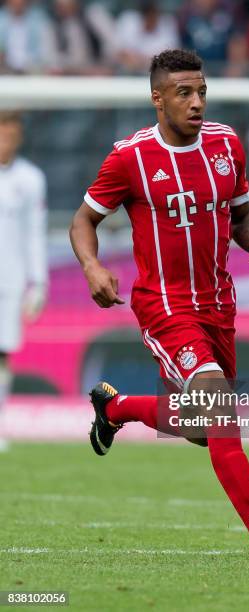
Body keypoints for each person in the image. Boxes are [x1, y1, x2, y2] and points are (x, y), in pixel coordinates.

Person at [70, 49, 249, 568]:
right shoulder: (130, 158)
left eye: (201, 92)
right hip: (165, 307)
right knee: (221, 411)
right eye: (183, 93)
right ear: (158, 98)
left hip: (219, 307)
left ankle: (115, 407)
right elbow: (83, 221)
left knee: (202, 426)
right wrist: (91, 266)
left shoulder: (226, 144)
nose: (196, 102)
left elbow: (242, 215)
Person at [0, 112, 48, 451]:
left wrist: (39, 283)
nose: (7, 139)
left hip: (9, 280)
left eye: (12, 133)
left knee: (2, 354)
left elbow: (34, 234)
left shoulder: (30, 178)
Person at [48, 0, 116, 75]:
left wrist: (104, 66)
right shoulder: (52, 25)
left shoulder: (94, 15)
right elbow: (52, 59)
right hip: (69, 76)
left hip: (98, 72)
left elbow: (113, 45)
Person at [115, 1, 180, 75]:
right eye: (148, 15)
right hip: (130, 73)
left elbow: (172, 55)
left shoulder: (168, 23)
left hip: (159, 74)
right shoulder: (128, 20)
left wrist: (142, 61)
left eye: (154, 14)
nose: (151, 18)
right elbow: (121, 54)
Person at [0, 0, 55, 74]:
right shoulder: (1, 19)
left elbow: (45, 47)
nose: (17, 6)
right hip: (5, 67)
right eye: (14, 3)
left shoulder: (39, 19)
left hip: (33, 66)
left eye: (21, 3)